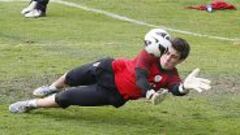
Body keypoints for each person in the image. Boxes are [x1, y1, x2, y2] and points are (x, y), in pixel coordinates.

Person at [9, 28, 211, 113]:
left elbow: (175, 89)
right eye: (168, 53)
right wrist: (149, 92)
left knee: (67, 97)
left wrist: (185, 87)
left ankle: (30, 104)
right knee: (71, 76)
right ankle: (51, 87)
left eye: (174, 57)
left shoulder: (171, 76)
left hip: (113, 93)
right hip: (108, 69)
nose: (168, 58)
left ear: (181, 61)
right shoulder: (149, 55)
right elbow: (140, 77)